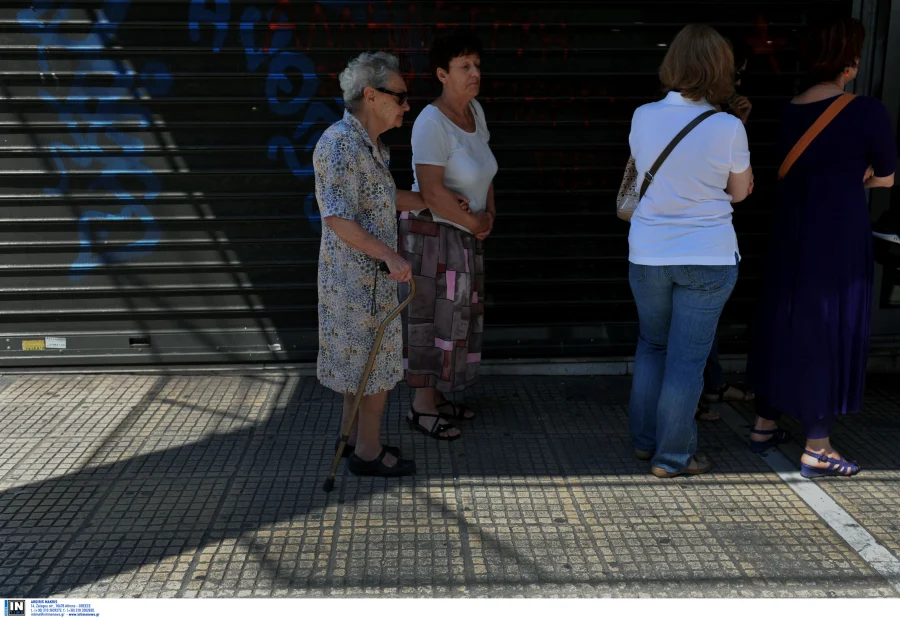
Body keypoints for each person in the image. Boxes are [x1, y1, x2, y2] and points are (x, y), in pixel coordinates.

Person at [747, 18, 896, 478]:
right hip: (838, 232)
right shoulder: (866, 110)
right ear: (849, 63)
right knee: (828, 325)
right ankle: (817, 445)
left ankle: (764, 423)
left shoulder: (789, 109)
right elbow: (887, 176)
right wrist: (857, 179)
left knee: (786, 316)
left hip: (791, 230)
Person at [627, 24, 754, 478]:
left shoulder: (643, 115)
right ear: (722, 69)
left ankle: (645, 443)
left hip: (648, 253)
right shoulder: (727, 127)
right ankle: (674, 456)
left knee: (652, 346)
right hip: (708, 253)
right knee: (687, 358)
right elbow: (740, 193)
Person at [314, 51, 424, 477]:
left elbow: (385, 198)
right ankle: (367, 452)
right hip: (354, 283)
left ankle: (356, 442)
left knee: (364, 368)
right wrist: (390, 254)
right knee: (372, 371)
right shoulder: (340, 144)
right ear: (372, 95)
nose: (406, 105)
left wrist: (433, 203)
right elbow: (338, 216)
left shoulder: (372, 147)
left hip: (371, 281)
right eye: (400, 96)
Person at [400, 31, 496, 441]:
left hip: (466, 234)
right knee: (429, 319)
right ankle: (421, 409)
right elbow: (431, 189)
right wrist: (476, 224)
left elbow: (487, 168)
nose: (474, 73)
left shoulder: (474, 111)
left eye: (476, 65)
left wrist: (489, 214)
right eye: (464, 67)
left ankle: (438, 396)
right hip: (433, 239)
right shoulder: (430, 122)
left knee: (456, 320)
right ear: (442, 74)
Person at [696, 40, 756, 422]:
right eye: (734, 72)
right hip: (701, 244)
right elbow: (737, 191)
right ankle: (687, 414)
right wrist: (735, 128)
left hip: (655, 246)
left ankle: (709, 387)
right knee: (686, 339)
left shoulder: (650, 116)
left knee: (660, 343)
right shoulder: (716, 121)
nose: (736, 82)